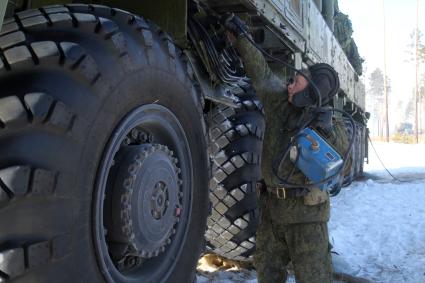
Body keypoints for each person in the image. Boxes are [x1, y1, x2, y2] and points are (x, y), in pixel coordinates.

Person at [224, 15, 352, 283]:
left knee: (314, 278)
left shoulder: (332, 126)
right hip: (272, 212)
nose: (290, 83)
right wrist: (243, 39)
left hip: (307, 218)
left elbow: (341, 163)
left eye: (298, 80)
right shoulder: (280, 105)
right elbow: (262, 74)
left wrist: (323, 129)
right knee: (268, 273)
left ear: (313, 90)